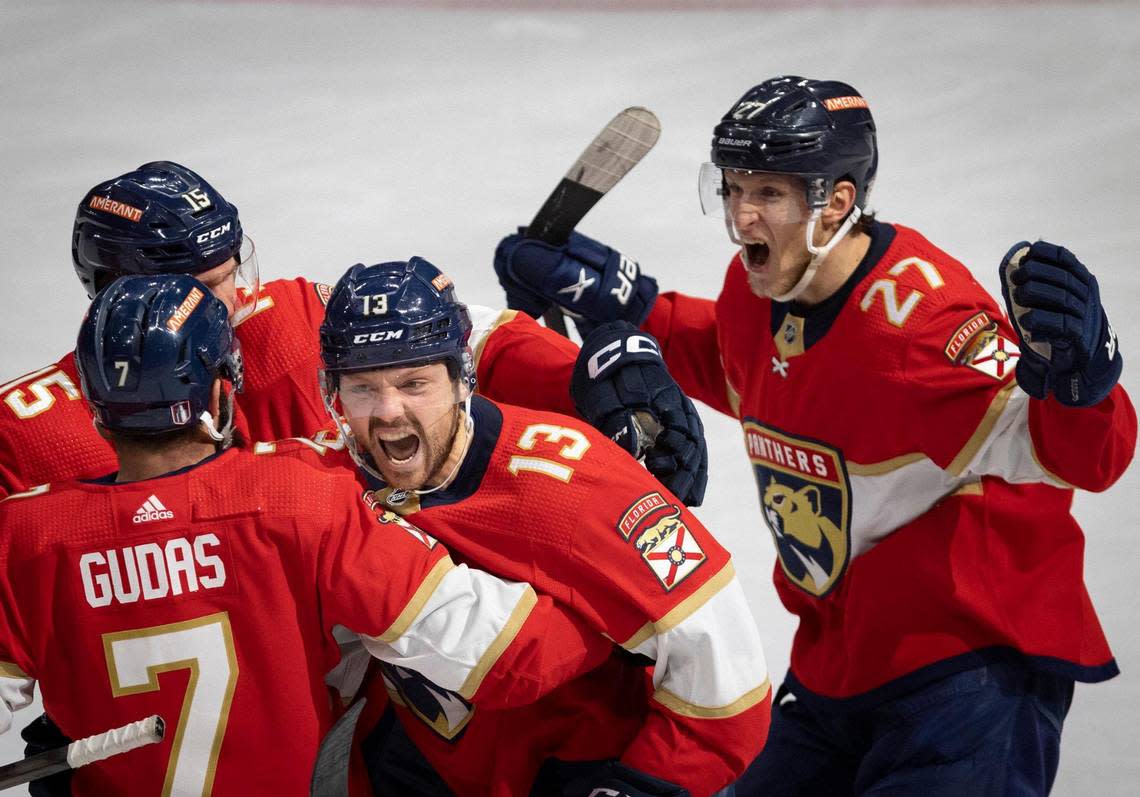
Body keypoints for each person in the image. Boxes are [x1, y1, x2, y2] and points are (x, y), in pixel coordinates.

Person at [492, 75, 1137, 795]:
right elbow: (741, 364)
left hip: (967, 669)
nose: (741, 215)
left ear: (835, 200)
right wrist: (621, 302)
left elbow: (1079, 456)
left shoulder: (921, 320)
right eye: (733, 188)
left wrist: (1084, 380)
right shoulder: (757, 289)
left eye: (768, 193)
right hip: (840, 664)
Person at [0, 274, 613, 796]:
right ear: (221, 388)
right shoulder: (300, 495)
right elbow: (508, 656)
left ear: (92, 400)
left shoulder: (22, 535)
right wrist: (618, 605)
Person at [293, 256, 771, 797]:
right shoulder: (324, 478)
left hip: (583, 770)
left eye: (414, 383)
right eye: (362, 388)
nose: (388, 412)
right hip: (430, 760)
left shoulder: (575, 486)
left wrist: (641, 788)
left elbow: (732, 686)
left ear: (460, 378)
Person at [0, 161, 705, 507]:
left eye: (233, 268)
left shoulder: (290, 317)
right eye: (209, 288)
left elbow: (467, 341)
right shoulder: (27, 433)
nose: (240, 296)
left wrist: (586, 377)